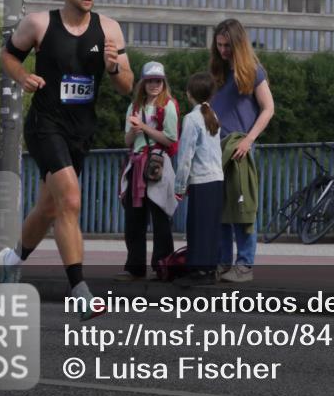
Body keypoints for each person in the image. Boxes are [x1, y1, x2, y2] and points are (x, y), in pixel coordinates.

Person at [0, 0, 133, 319]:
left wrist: (114, 67)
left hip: (81, 129)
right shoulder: (39, 23)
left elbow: (127, 86)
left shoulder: (109, 29)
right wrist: (22, 76)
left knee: (49, 207)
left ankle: (12, 260)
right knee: (71, 199)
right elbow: (8, 55)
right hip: (45, 124)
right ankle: (80, 290)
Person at [209, 19, 274, 283]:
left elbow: (268, 108)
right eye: (219, 45)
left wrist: (249, 140)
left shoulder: (253, 71)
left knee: (242, 208)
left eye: (228, 45)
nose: (223, 50)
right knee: (220, 210)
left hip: (240, 150)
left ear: (239, 44)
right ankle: (223, 263)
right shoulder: (218, 72)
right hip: (216, 149)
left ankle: (245, 265)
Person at [116, 61, 179, 282]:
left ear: (163, 83)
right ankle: (135, 267)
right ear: (143, 83)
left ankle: (163, 266)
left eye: (158, 81)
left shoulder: (168, 105)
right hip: (136, 164)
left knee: (160, 217)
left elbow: (170, 139)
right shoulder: (134, 107)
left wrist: (143, 128)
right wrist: (134, 132)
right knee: (134, 218)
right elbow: (127, 141)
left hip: (157, 164)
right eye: (150, 80)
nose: (154, 85)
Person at [173, 72, 225, 288]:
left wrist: (179, 186)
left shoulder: (191, 119)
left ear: (189, 94)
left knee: (196, 226)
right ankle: (210, 269)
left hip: (201, 180)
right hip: (217, 178)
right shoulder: (213, 116)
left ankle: (197, 270)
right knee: (211, 226)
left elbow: (185, 156)